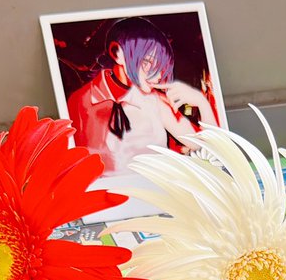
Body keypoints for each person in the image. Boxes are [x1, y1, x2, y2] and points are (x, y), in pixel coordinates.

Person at [67, 17, 218, 175]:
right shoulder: (81, 101)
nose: (158, 76)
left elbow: (207, 149)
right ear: (117, 53)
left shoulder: (157, 101)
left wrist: (202, 102)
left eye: (161, 67)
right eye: (148, 63)